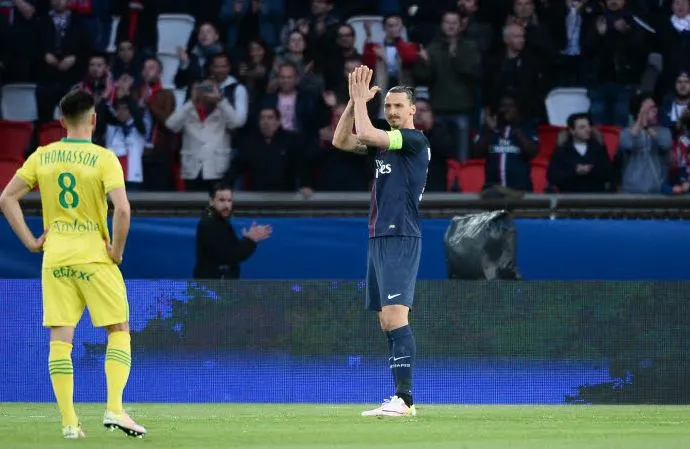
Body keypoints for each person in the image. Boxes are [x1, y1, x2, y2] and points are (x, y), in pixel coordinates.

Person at [0, 90, 146, 439]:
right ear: (93, 119)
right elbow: (123, 210)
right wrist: (117, 252)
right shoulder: (103, 158)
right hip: (93, 254)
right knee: (118, 329)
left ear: (61, 122)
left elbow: (7, 198)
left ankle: (69, 422)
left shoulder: (43, 155)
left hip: (56, 256)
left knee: (60, 338)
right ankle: (114, 408)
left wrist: (31, 241)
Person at [331, 66, 430, 417]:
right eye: (387, 106)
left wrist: (361, 102)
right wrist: (351, 103)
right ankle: (399, 398)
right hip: (379, 237)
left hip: (400, 235)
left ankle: (405, 400)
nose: (392, 112)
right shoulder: (385, 147)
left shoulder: (413, 141)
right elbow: (341, 141)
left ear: (412, 110)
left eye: (398, 106)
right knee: (386, 321)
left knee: (396, 316)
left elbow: (369, 133)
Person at [193, 183, 272, 279]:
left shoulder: (218, 220)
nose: (226, 205)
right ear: (212, 201)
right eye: (221, 200)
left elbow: (230, 250)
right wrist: (250, 240)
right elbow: (229, 255)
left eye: (229, 200)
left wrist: (248, 240)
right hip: (211, 287)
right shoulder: (209, 223)